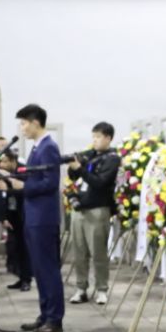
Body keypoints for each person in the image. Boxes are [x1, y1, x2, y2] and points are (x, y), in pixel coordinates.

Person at [15, 104, 65, 332]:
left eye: (24, 123)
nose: (22, 128)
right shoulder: (37, 148)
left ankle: (54, 319)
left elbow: (50, 183)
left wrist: (23, 186)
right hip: (34, 214)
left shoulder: (48, 147)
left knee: (48, 268)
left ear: (35, 122)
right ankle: (45, 313)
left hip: (44, 216)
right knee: (39, 268)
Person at [67, 122, 122, 306]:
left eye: (98, 137)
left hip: (98, 210)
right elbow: (75, 177)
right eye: (93, 137)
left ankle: (101, 289)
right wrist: (74, 166)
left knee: (98, 252)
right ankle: (81, 288)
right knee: (79, 252)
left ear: (108, 138)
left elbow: (100, 182)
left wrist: (81, 169)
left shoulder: (112, 159)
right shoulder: (89, 155)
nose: (95, 141)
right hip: (79, 209)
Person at [0, 153, 32, 290]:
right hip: (12, 214)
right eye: (1, 162)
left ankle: (26, 279)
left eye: (5, 162)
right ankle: (20, 277)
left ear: (13, 161)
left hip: (24, 214)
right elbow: (4, 196)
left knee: (25, 248)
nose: (2, 165)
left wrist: (8, 188)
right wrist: (4, 217)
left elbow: (27, 191)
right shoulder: (5, 173)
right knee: (15, 248)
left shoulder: (23, 171)